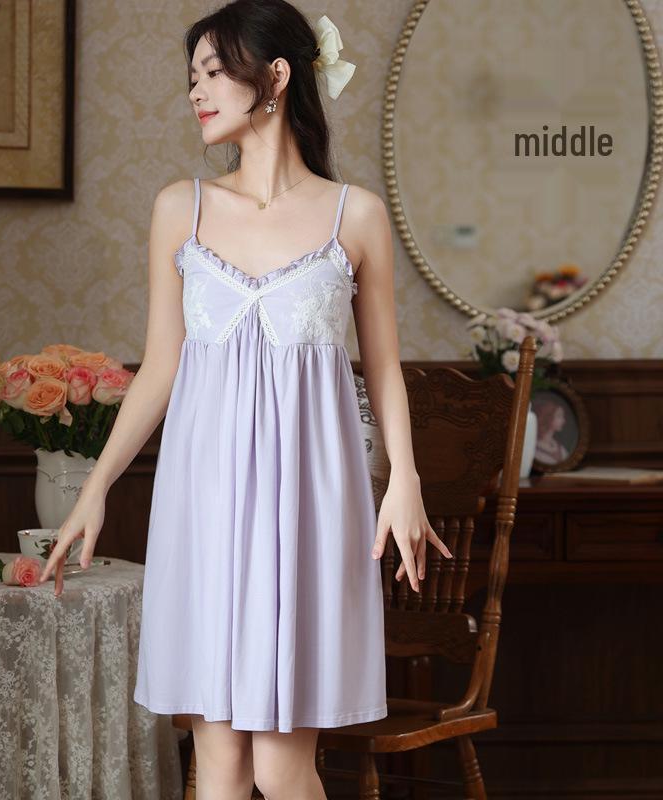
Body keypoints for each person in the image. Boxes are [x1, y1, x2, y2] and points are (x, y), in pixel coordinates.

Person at [40, 1, 451, 797]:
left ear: (276, 77)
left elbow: (385, 368)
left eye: (212, 72)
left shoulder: (356, 215)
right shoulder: (180, 209)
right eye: (190, 77)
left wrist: (404, 479)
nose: (195, 91)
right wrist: (96, 487)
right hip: (204, 504)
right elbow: (160, 367)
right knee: (221, 763)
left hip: (310, 507)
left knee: (281, 764)